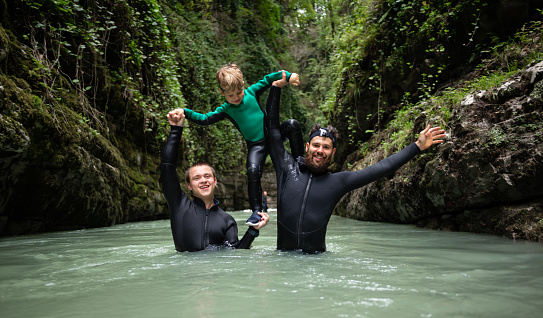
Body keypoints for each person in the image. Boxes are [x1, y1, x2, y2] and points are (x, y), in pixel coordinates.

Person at [266, 72, 446, 254]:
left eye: (326, 147)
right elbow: (272, 132)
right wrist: (275, 88)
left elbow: (380, 168)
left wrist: (417, 146)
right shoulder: (286, 169)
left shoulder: (338, 182)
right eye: (316, 145)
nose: (320, 151)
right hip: (283, 261)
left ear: (333, 152)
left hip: (316, 265)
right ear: (307, 147)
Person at [182, 63, 301, 226]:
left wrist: (289, 75)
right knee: (252, 171)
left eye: (239, 92)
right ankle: (256, 211)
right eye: (230, 95)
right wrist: (184, 112)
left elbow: (269, 79)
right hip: (256, 145)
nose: (236, 97)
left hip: (273, 135)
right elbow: (204, 119)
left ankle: (300, 161)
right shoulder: (226, 109)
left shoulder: (252, 93)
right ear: (222, 93)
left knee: (292, 125)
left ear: (243, 86)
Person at [161, 108, 269, 252]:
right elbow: (167, 168)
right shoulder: (179, 205)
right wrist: (176, 130)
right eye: (197, 178)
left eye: (207, 176)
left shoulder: (227, 220)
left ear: (215, 181)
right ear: (189, 186)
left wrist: (253, 230)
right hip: (185, 273)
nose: (203, 180)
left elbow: (236, 252)